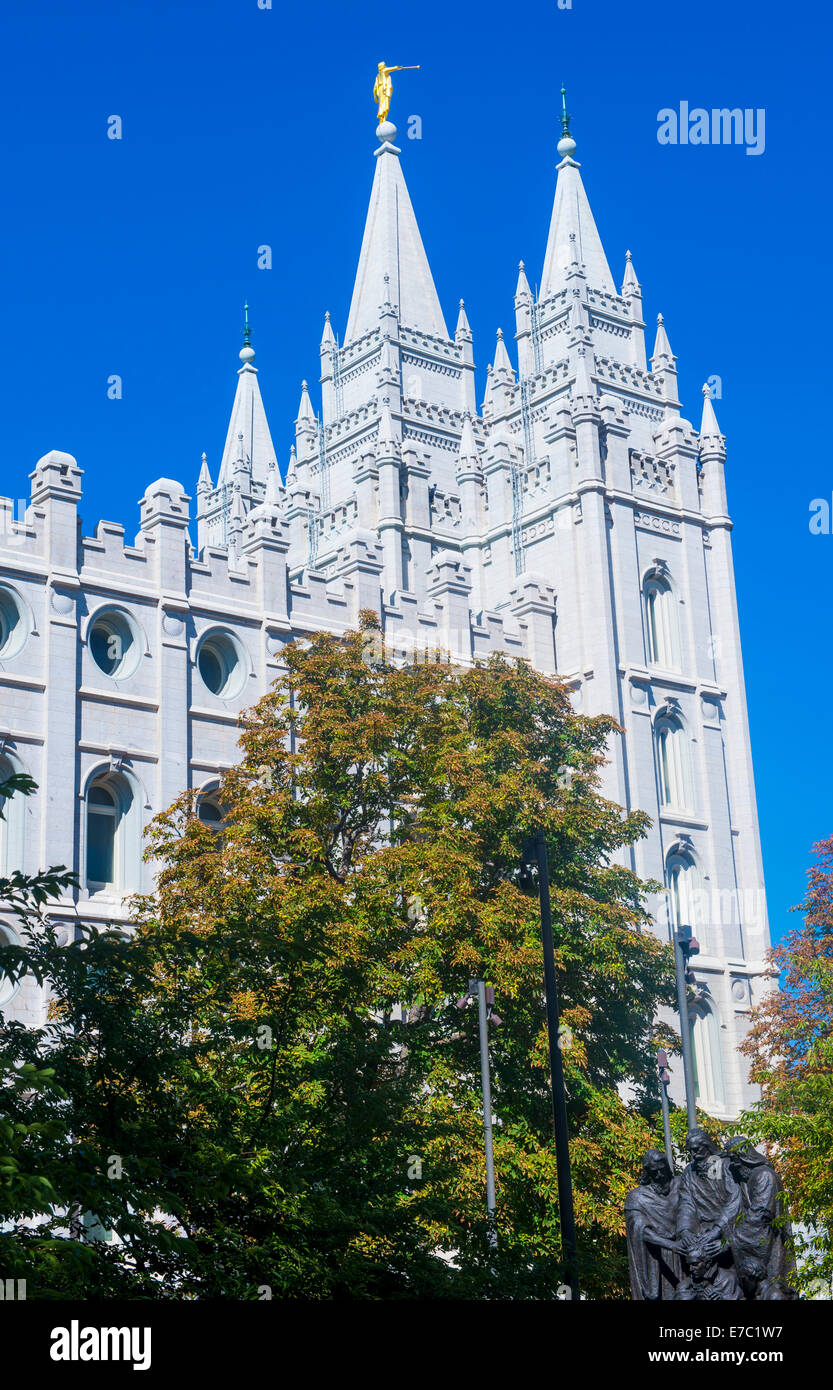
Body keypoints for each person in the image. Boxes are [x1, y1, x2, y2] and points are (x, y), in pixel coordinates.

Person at [625, 1150, 682, 1300]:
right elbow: (639, 1229)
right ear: (647, 1172)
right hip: (657, 1260)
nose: (659, 1175)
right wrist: (669, 1245)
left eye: (662, 1170)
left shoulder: (682, 1186)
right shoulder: (636, 1197)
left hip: (685, 1253)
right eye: (654, 1172)